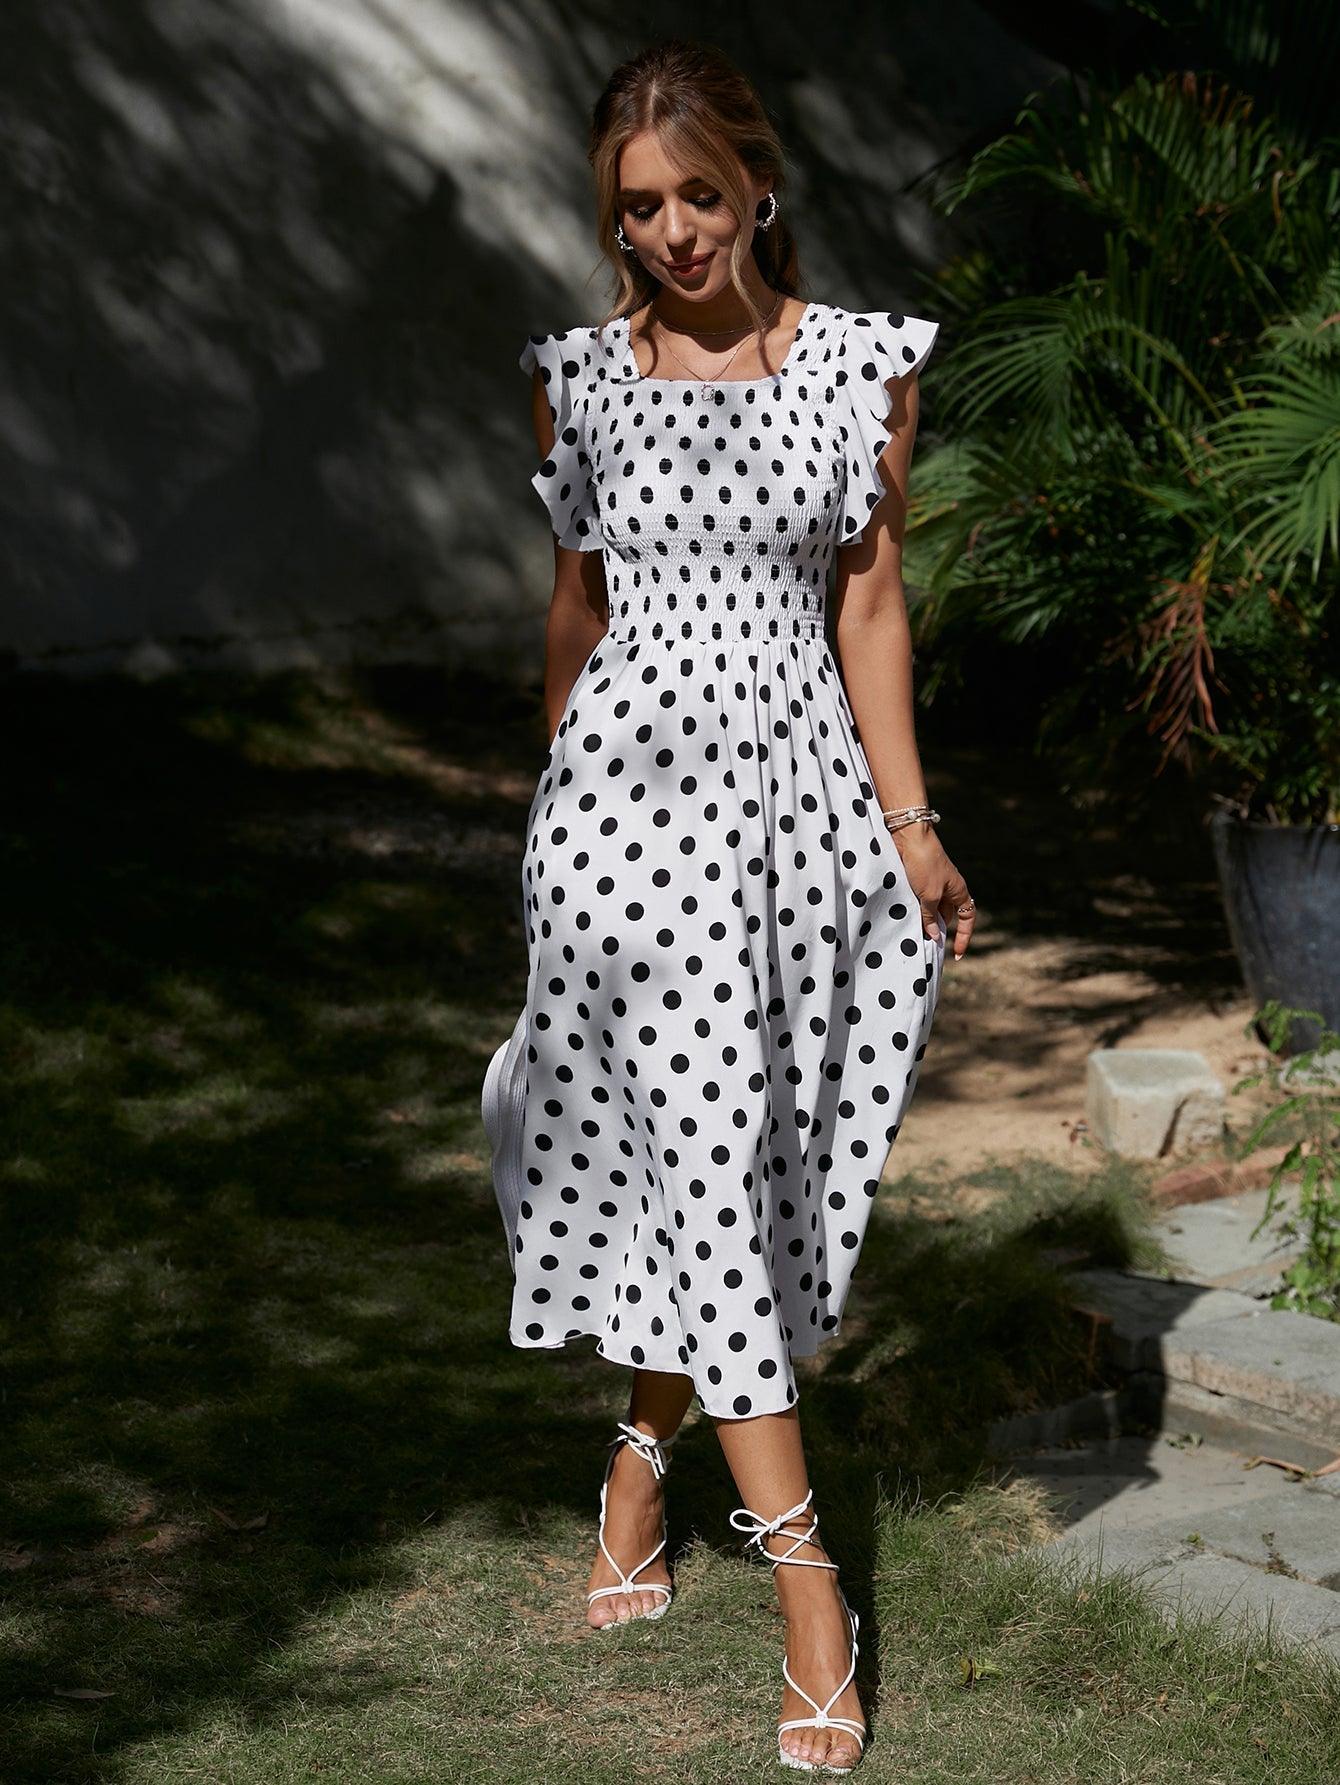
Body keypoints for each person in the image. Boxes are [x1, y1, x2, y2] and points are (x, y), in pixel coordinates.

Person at [483, 35, 975, 1776]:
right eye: (640, 207)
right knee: (701, 1148)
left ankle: (639, 1459)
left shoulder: (858, 369)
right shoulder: (580, 380)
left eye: (699, 193)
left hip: (797, 814)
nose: (675, 232)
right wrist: (557, 803)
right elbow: (575, 611)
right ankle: (811, 1590)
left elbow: (871, 610)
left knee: (742, 1166)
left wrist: (912, 823)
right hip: (624, 837)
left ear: (758, 184)